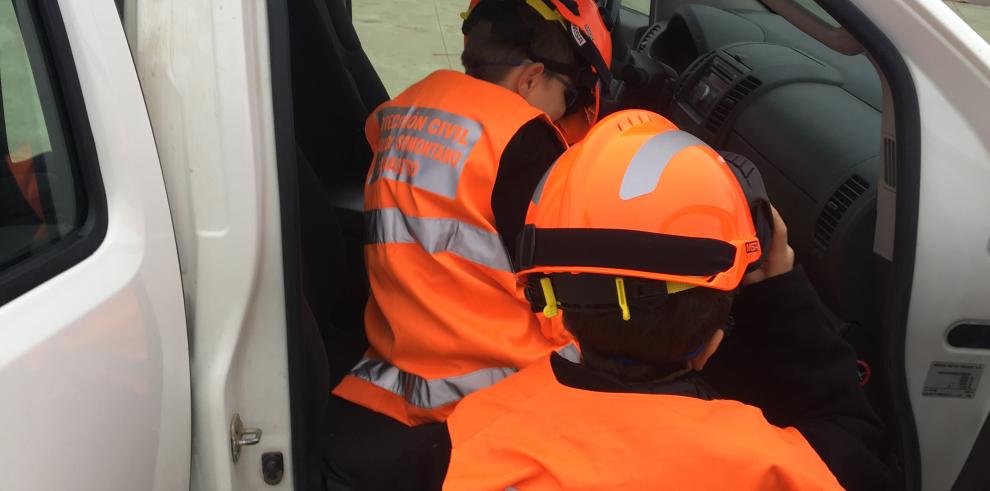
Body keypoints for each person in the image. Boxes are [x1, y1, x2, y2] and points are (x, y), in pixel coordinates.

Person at [441, 109, 888, 490]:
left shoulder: (466, 437)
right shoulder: (776, 467)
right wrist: (780, 291)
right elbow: (855, 446)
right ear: (712, 347)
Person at [323, 1, 613, 488]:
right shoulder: (524, 143)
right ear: (531, 78)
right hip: (492, 400)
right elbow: (567, 291)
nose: (569, 114)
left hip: (391, 372)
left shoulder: (405, 109)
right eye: (570, 95)